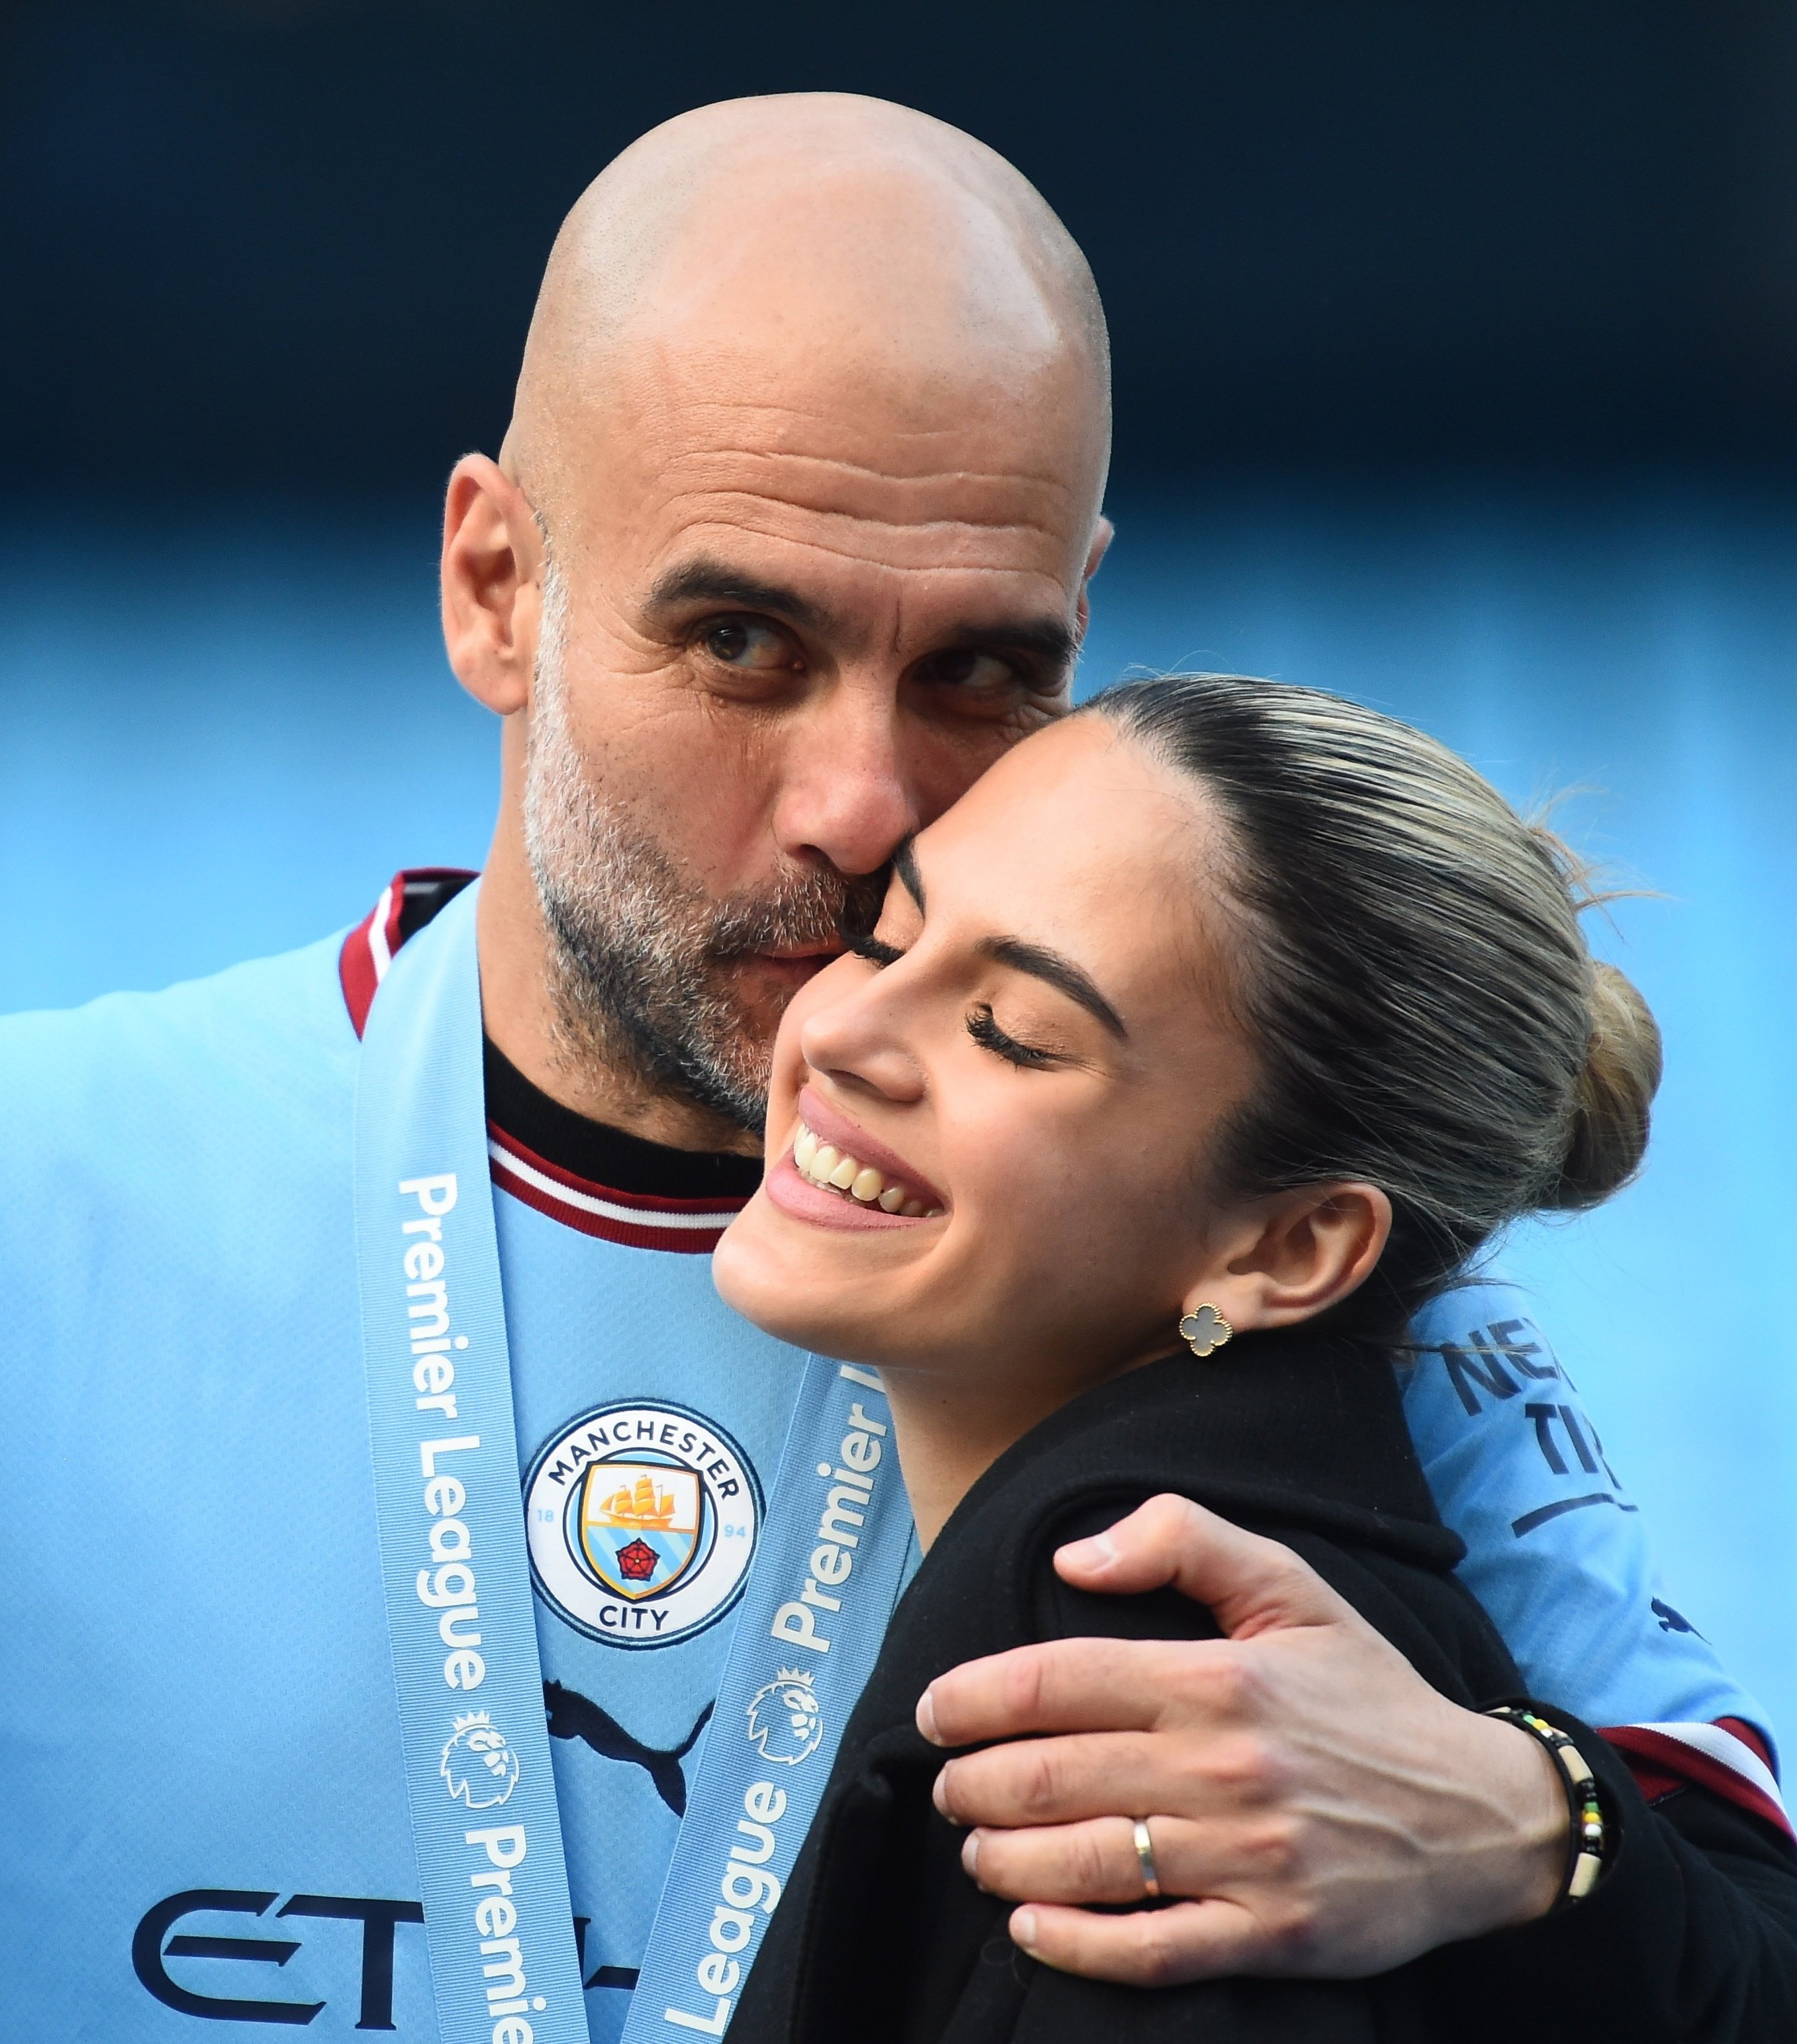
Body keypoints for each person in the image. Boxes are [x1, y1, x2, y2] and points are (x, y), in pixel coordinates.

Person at [0, 93, 1777, 2041]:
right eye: (746, 641)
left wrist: (1530, 1825)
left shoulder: (1300, 1309)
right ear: (499, 589)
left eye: (980, 674)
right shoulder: (44, 1191)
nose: (862, 807)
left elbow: (1738, 1903)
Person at [716, 674, 1797, 2043]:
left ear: (1290, 1248)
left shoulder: (1154, 1678)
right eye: (885, 934)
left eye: (1015, 1033)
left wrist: (1550, 1821)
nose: (841, 1034)